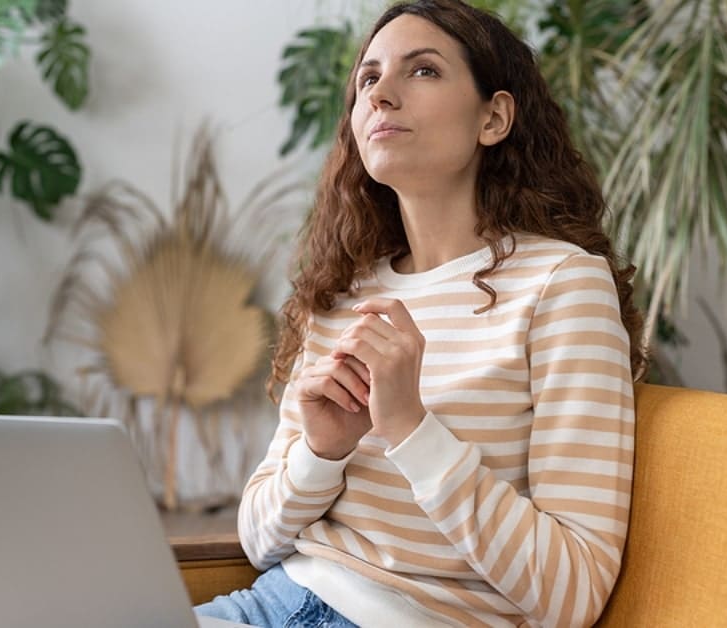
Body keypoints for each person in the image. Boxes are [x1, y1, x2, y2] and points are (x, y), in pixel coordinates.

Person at [195, 1, 645, 626]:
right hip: (266, 603)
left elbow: (572, 593)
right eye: (368, 79)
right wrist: (321, 451)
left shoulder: (562, 285)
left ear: (494, 117)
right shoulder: (340, 293)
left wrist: (410, 426)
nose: (381, 95)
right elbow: (258, 539)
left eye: (424, 71)